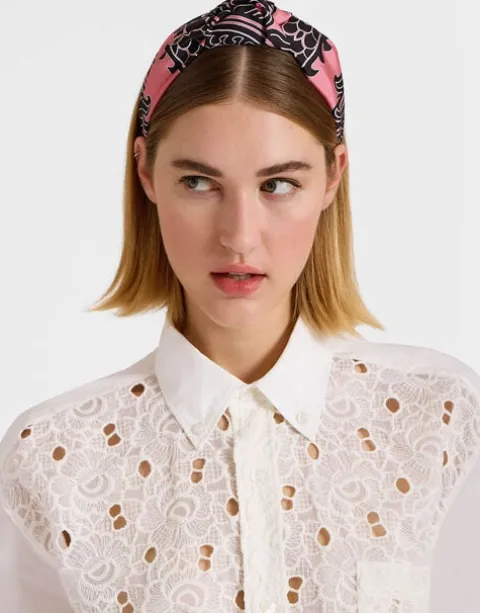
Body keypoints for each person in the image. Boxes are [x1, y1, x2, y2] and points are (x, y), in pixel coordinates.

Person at [0, 1, 479, 612]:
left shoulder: (441, 423)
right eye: (199, 183)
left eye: (278, 184)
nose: (239, 237)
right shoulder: (53, 460)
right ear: (145, 171)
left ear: (333, 176)